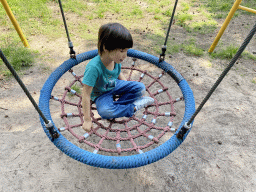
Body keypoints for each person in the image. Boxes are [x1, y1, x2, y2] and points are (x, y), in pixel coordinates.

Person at [82, 23, 154, 132]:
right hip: (101, 94)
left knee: (140, 88)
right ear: (106, 47)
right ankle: (133, 107)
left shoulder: (115, 60)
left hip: (114, 85)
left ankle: (117, 108)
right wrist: (87, 119)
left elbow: (118, 73)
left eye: (126, 51)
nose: (125, 55)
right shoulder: (94, 68)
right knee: (106, 111)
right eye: (121, 51)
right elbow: (86, 94)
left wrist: (126, 87)